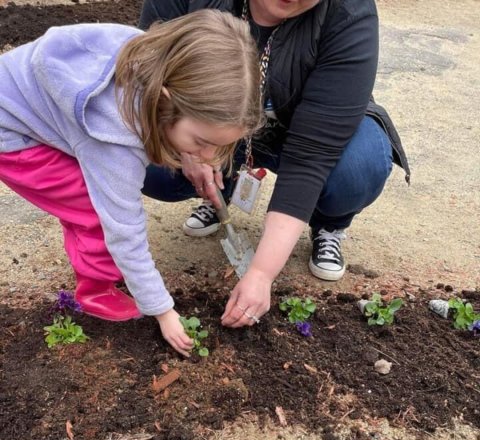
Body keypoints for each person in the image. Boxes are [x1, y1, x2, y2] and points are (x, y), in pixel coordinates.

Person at [0, 10, 264, 356]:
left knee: (92, 199)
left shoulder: (153, 56)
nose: (209, 154)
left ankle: (100, 266)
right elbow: (124, 228)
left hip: (28, 101)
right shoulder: (115, 136)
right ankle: (95, 291)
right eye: (201, 141)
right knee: (93, 209)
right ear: (167, 101)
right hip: (11, 135)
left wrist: (193, 153)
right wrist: (163, 310)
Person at [139, 0, 411, 329]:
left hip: (304, 129)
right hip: (219, 128)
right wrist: (192, 151)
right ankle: (220, 189)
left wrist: (261, 273)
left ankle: (328, 223)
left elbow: (311, 153)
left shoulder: (348, 13)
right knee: (150, 163)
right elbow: (149, 79)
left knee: (358, 168)